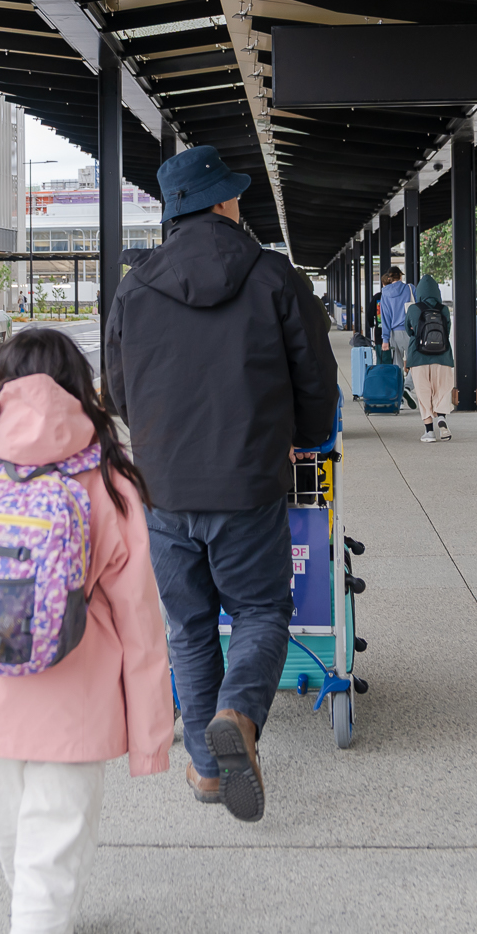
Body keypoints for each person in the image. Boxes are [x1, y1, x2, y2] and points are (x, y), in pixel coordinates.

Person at [103, 145, 338, 823]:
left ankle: (208, 769)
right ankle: (238, 713)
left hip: (164, 487)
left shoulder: (135, 283)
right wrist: (309, 432)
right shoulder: (273, 276)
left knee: (190, 621)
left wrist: (155, 436)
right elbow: (314, 377)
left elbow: (118, 385)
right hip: (247, 482)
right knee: (262, 609)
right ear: (225, 203)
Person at [0, 329, 174, 934]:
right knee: (49, 858)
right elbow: (140, 619)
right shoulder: (111, 473)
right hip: (77, 700)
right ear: (79, 390)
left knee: (21, 854)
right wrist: (150, 735)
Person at [404, 274, 453, 442]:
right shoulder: (444, 309)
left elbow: (409, 331)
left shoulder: (413, 308)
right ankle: (441, 418)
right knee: (442, 390)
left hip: (419, 356)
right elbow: (447, 330)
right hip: (443, 356)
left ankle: (429, 432)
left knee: (423, 392)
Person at [378, 266, 413, 370]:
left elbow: (385, 317)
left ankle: (399, 385)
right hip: (410, 331)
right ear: (400, 276)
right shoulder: (410, 288)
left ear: (390, 278)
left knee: (397, 364)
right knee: (415, 362)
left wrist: (385, 339)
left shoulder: (385, 293)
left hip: (394, 334)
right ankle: (408, 385)